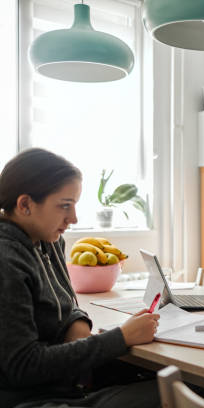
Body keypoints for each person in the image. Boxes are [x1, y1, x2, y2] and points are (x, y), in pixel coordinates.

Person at [0, 148, 161, 408]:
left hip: (66, 384)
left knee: (181, 384)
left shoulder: (48, 240)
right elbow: (23, 366)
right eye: (65, 206)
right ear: (25, 205)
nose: (73, 219)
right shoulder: (7, 261)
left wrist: (77, 320)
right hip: (35, 400)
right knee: (185, 393)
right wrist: (120, 337)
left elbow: (63, 301)